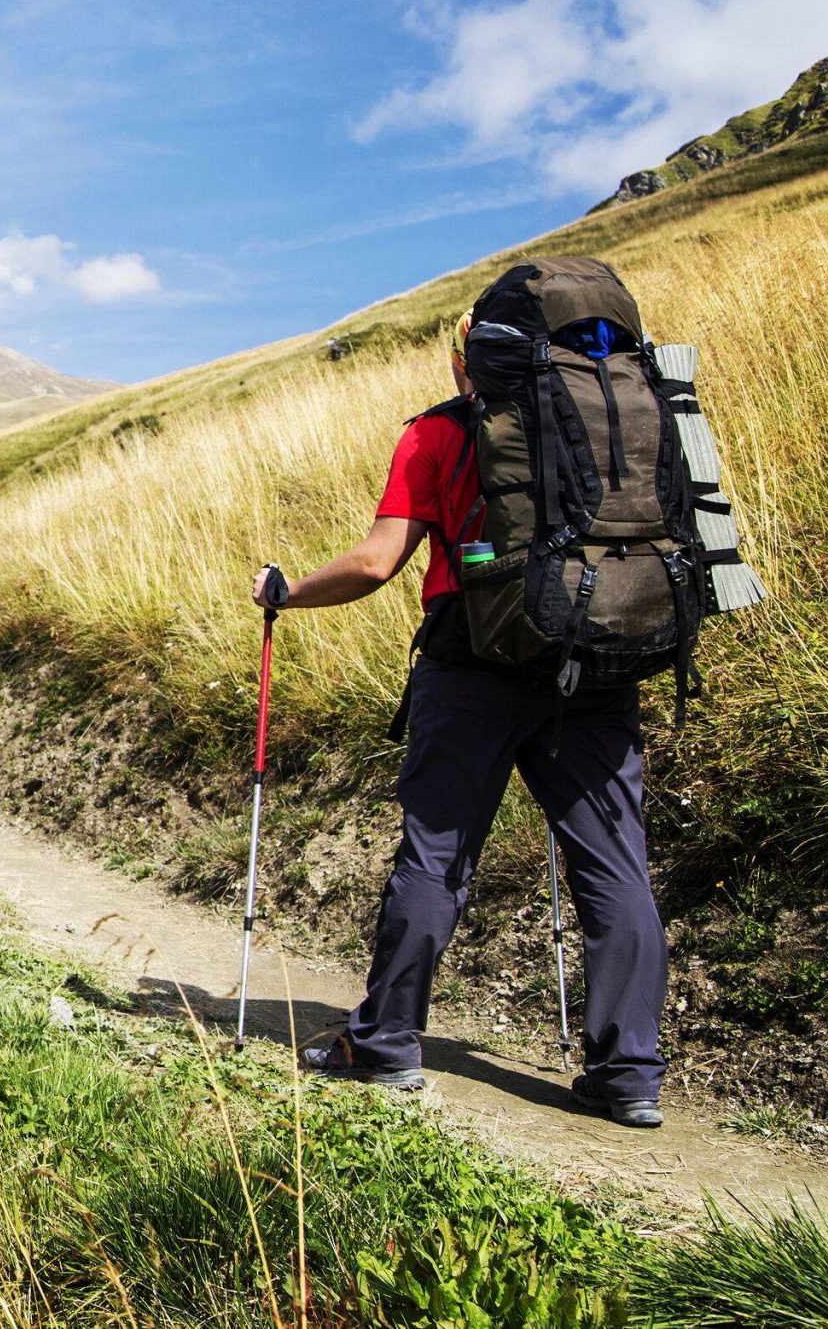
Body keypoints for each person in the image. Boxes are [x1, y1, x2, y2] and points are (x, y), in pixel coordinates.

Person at [252, 310, 668, 1129]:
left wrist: (287, 590)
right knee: (617, 867)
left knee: (438, 854)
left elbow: (377, 562)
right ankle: (627, 1074)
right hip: (599, 667)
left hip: (472, 667)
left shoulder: (440, 434)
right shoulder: (625, 417)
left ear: (463, 359)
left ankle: (386, 1042)